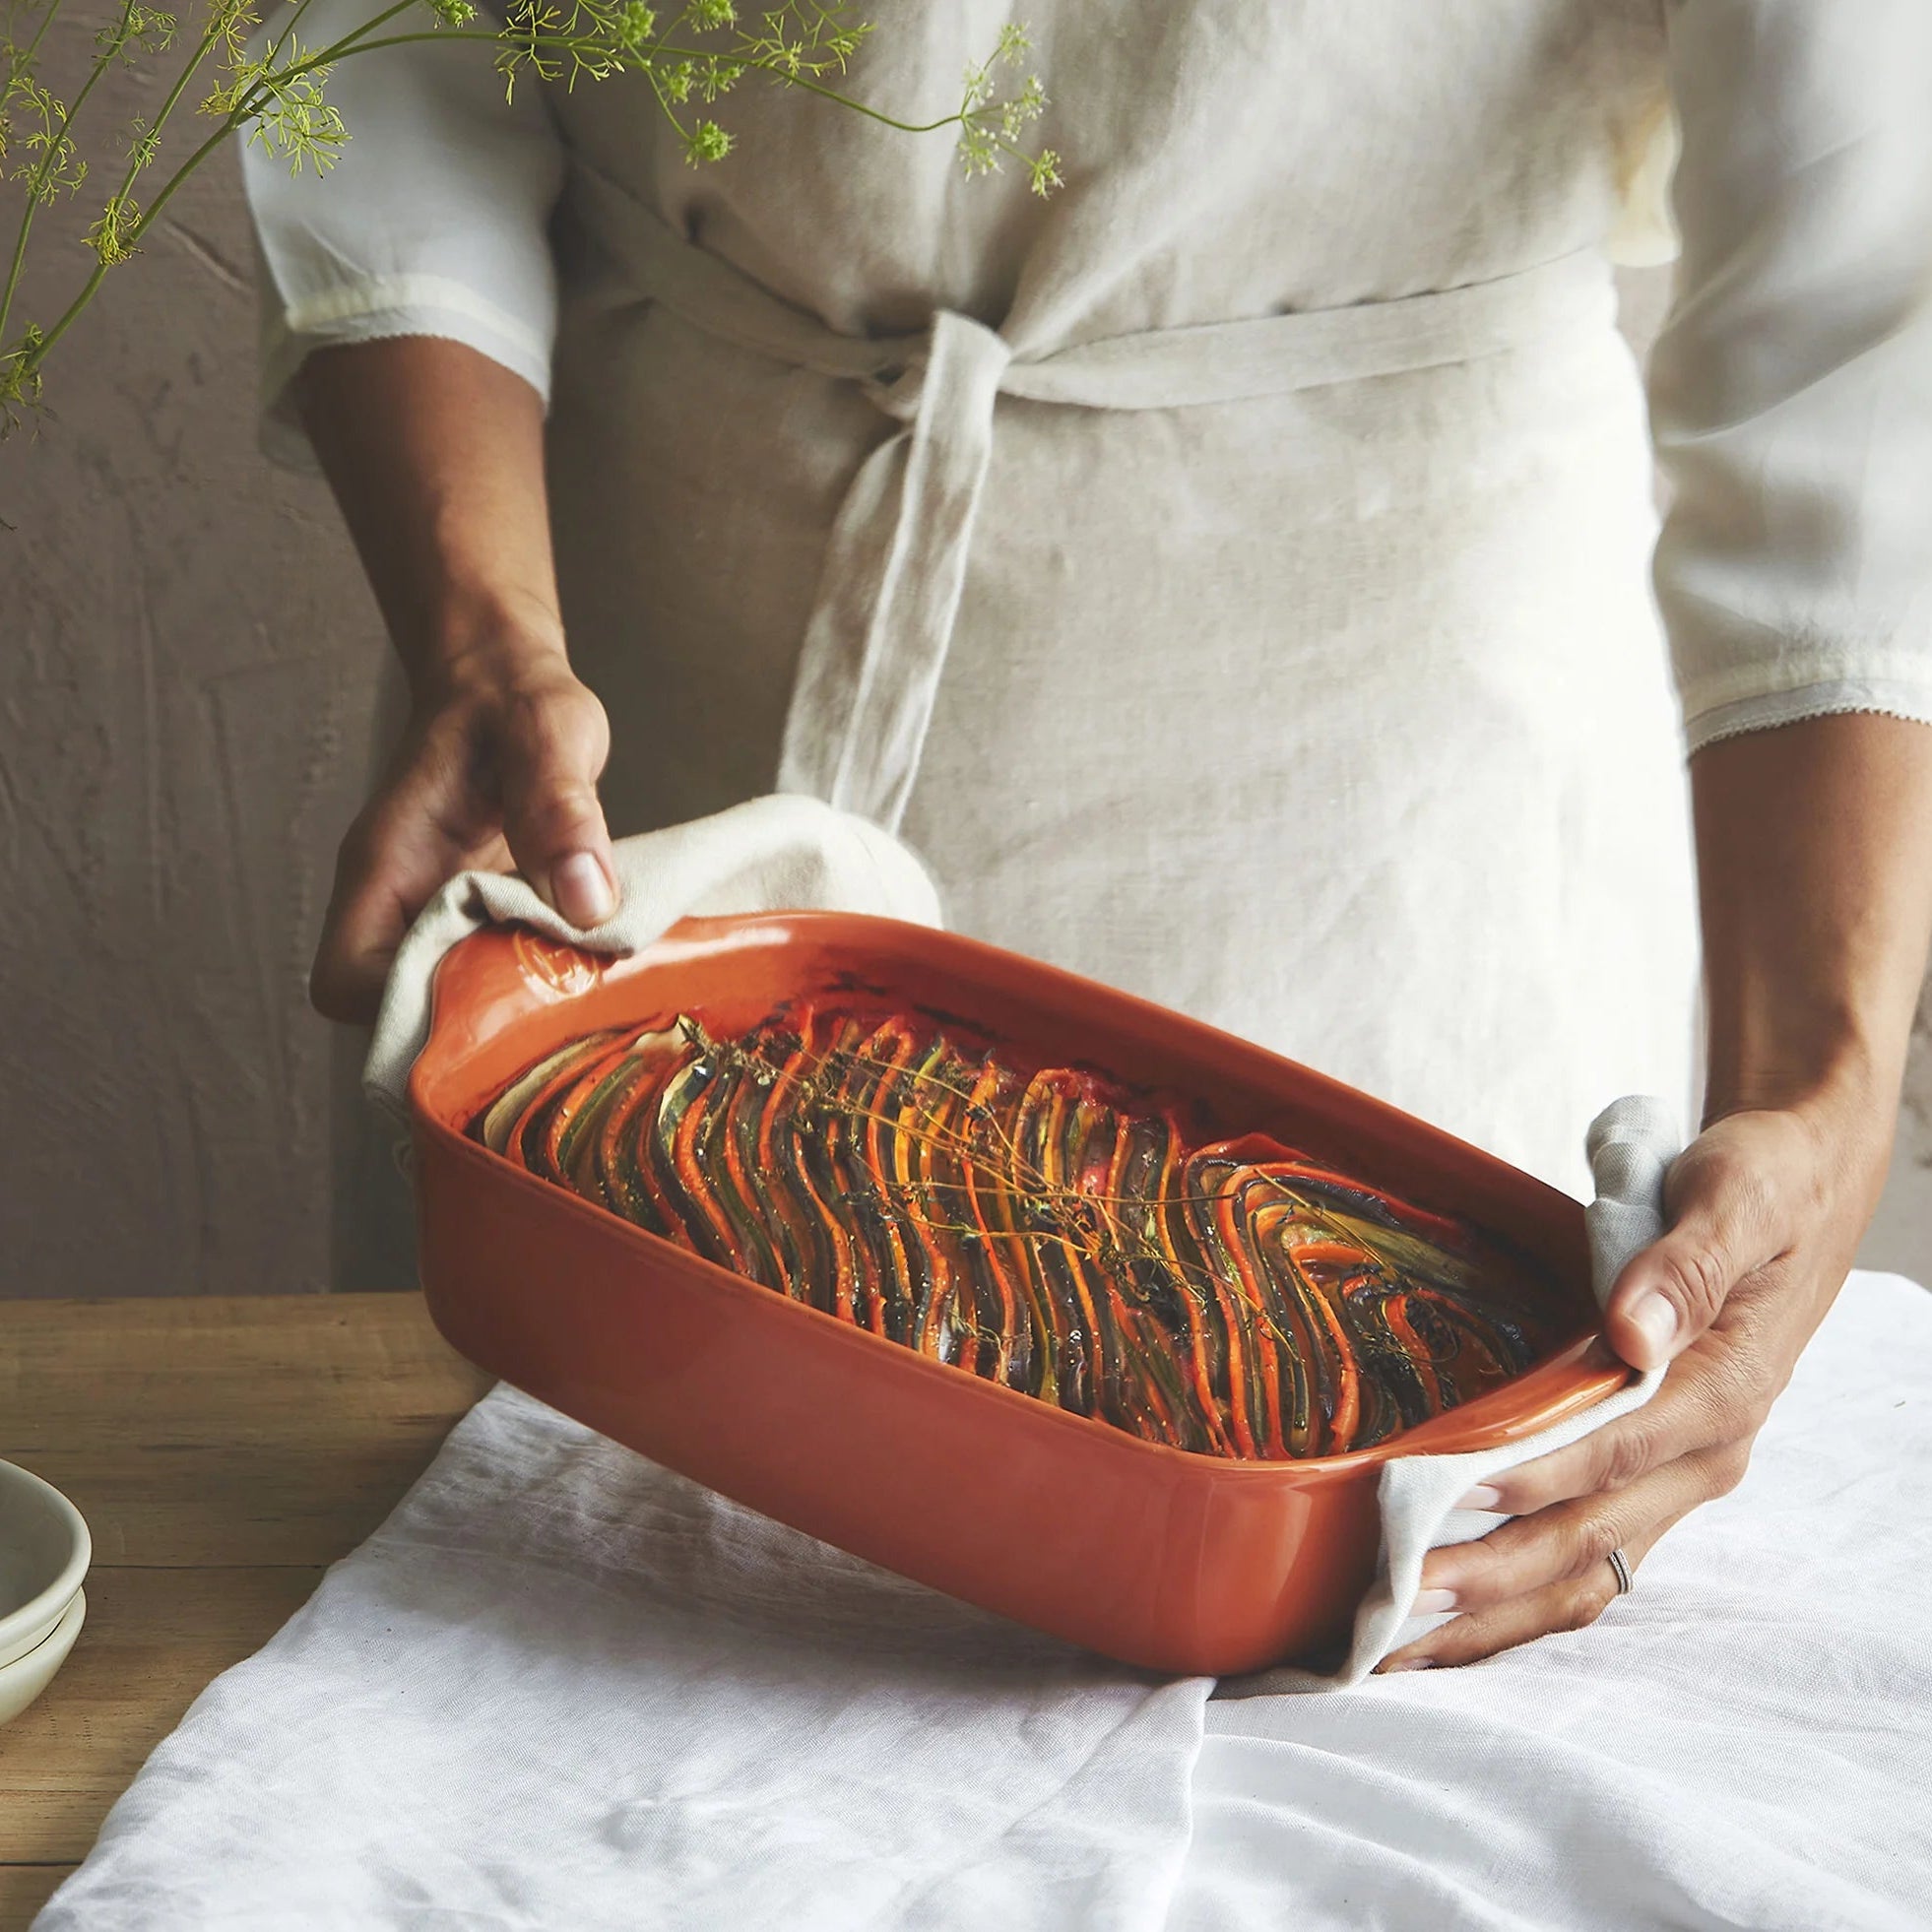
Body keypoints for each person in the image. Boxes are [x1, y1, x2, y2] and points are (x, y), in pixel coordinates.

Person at [240, 0, 1932, 1669]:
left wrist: (1822, 1089)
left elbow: (1858, 296)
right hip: (625, 743)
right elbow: (383, 54)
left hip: (1403, 827)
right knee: (520, 1672)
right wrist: (482, 637)